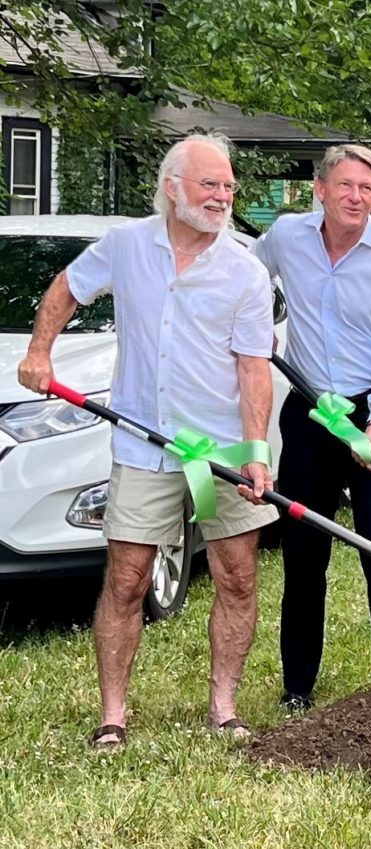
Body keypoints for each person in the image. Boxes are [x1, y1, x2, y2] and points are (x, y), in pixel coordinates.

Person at [16, 134, 275, 746]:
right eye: (209, 184)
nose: (222, 196)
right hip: (144, 446)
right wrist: (38, 351)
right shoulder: (127, 246)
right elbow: (67, 287)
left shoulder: (245, 270)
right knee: (127, 578)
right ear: (172, 188)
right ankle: (113, 717)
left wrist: (257, 453)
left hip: (219, 452)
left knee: (237, 576)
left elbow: (253, 368)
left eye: (228, 186)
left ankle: (224, 708)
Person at [252, 144, 371, 711]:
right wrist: (251, 324)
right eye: (345, 186)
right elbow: (245, 277)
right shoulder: (286, 237)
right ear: (320, 190)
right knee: (303, 553)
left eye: (367, 189)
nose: (356, 197)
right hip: (307, 412)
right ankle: (297, 688)